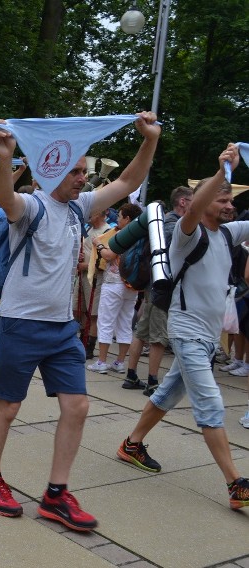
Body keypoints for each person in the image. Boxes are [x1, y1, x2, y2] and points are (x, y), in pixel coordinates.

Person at [0, 112, 160, 531]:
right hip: (21, 323)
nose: (83, 178)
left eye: (84, 171)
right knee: (7, 407)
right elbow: (5, 200)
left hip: (61, 327)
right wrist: (5, 158)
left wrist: (148, 140)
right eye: (75, 171)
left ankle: (56, 494)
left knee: (77, 406)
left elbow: (129, 182)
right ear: (51, 170)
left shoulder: (80, 208)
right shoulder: (31, 205)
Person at [117, 144, 249, 510]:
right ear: (199, 201)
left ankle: (131, 445)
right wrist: (223, 170)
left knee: (167, 394)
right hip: (187, 331)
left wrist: (226, 180)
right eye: (223, 198)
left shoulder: (227, 234)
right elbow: (197, 206)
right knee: (210, 404)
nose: (229, 204)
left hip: (206, 338)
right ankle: (236, 484)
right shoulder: (187, 233)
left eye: (231, 200)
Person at [117, 186, 192, 393]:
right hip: (163, 288)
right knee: (158, 338)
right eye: (192, 200)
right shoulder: (173, 227)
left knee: (141, 332)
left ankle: (131, 376)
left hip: (152, 286)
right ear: (183, 202)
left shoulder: (161, 223)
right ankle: (152, 382)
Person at [87, 203, 142, 374]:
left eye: (119, 216)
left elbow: (109, 255)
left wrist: (99, 244)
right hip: (132, 286)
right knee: (125, 323)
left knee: (106, 321)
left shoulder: (123, 234)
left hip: (114, 282)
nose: (117, 219)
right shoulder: (142, 234)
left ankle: (102, 361)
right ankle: (119, 362)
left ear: (127, 219)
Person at [74, 208, 111, 359]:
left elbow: (106, 259)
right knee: (79, 309)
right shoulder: (88, 229)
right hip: (82, 276)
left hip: (96, 278)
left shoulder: (108, 231)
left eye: (93, 212)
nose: (89, 215)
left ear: (102, 213)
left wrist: (87, 265)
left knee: (93, 313)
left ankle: (89, 346)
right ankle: (82, 340)